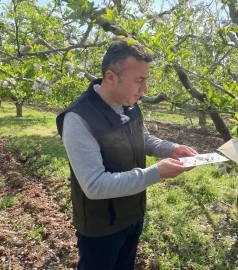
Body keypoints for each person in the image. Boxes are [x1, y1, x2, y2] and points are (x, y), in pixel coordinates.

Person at [56, 38, 197, 270]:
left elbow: (144, 139)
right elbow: (94, 185)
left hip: (132, 215)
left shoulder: (129, 103)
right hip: (101, 228)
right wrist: (156, 173)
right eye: (139, 81)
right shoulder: (78, 120)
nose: (145, 89)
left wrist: (171, 148)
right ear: (111, 77)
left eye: (146, 80)